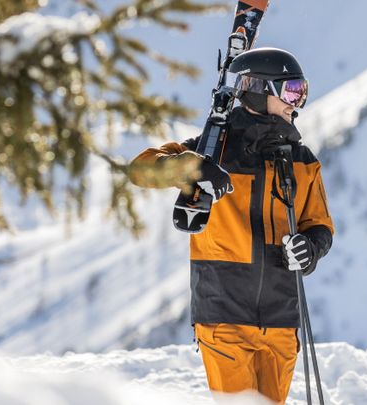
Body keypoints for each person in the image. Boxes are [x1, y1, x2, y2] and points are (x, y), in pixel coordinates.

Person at [127, 47, 334, 404]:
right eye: (291, 91)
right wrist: (190, 168)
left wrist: (310, 248)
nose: (296, 102)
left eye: (301, 92)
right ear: (260, 90)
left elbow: (319, 225)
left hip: (282, 317)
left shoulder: (302, 161)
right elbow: (141, 169)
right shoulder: (213, 151)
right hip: (224, 315)